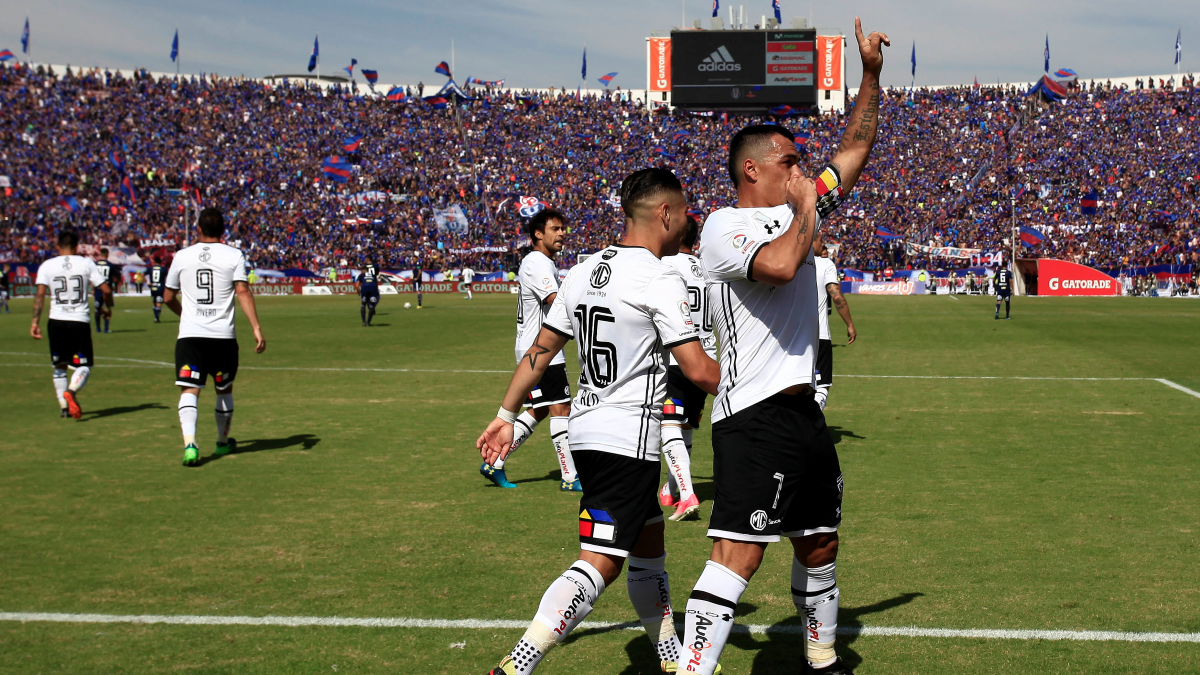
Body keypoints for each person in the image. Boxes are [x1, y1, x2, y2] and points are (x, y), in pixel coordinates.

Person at [681, 18, 888, 675]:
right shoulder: (723, 226)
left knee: (820, 542)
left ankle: (822, 655)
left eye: (801, 162)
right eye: (789, 161)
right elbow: (775, 266)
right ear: (752, 169)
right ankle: (693, 667)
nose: (803, 169)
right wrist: (807, 209)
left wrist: (872, 75)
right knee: (740, 554)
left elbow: (855, 149)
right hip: (753, 415)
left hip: (803, 414)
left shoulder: (800, 204)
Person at [477, 168, 720, 675]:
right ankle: (520, 663)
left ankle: (671, 658)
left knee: (649, 546)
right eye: (683, 215)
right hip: (626, 438)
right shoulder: (660, 278)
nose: (685, 225)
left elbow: (542, 351)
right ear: (665, 214)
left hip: (589, 430)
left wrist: (505, 415)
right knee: (602, 560)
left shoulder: (583, 270)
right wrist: (760, 391)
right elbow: (698, 370)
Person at [480, 209, 581, 491]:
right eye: (556, 228)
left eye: (563, 229)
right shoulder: (537, 262)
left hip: (536, 347)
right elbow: (554, 300)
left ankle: (495, 463)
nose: (562, 233)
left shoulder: (542, 262)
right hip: (541, 350)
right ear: (538, 234)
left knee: (540, 410)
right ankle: (570, 477)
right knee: (561, 408)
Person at [164, 207, 267, 467]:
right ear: (223, 230)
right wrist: (256, 327)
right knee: (224, 388)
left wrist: (185, 315)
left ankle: (190, 445)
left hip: (190, 336)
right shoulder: (234, 254)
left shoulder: (181, 256)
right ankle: (222, 442)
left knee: (190, 390)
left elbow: (167, 297)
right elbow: (242, 291)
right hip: (223, 338)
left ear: (198, 229)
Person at [658, 215, 717, 522]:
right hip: (706, 359)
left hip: (677, 359)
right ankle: (672, 490)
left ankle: (687, 494)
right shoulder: (705, 268)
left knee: (668, 426)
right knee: (686, 427)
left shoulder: (666, 266)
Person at [30, 230, 113, 418]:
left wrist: (35, 322)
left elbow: (40, 295)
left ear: (57, 246)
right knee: (83, 366)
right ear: (77, 247)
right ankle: (72, 392)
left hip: (56, 321)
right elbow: (106, 289)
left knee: (59, 365)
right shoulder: (85, 263)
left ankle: (64, 408)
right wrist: (107, 306)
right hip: (79, 321)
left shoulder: (47, 265)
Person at [814, 236, 856, 410]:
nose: (823, 245)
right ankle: (813, 421)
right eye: (819, 240)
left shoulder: (789, 263)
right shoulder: (825, 265)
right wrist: (850, 324)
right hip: (818, 335)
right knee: (822, 384)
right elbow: (836, 296)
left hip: (790, 336)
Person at [95, 248, 114, 333]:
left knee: (97, 309)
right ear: (107, 254)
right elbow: (115, 278)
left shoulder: (95, 264)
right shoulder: (110, 265)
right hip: (107, 290)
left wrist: (92, 289)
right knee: (107, 308)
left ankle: (98, 328)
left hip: (97, 289)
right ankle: (106, 329)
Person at [358, 262, 381, 326]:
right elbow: (376, 284)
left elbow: (357, 285)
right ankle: (368, 322)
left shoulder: (361, 275)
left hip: (364, 288)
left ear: (363, 270)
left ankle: (363, 322)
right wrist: (376, 294)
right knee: (371, 306)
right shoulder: (373, 275)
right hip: (373, 288)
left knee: (363, 305)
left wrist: (359, 293)